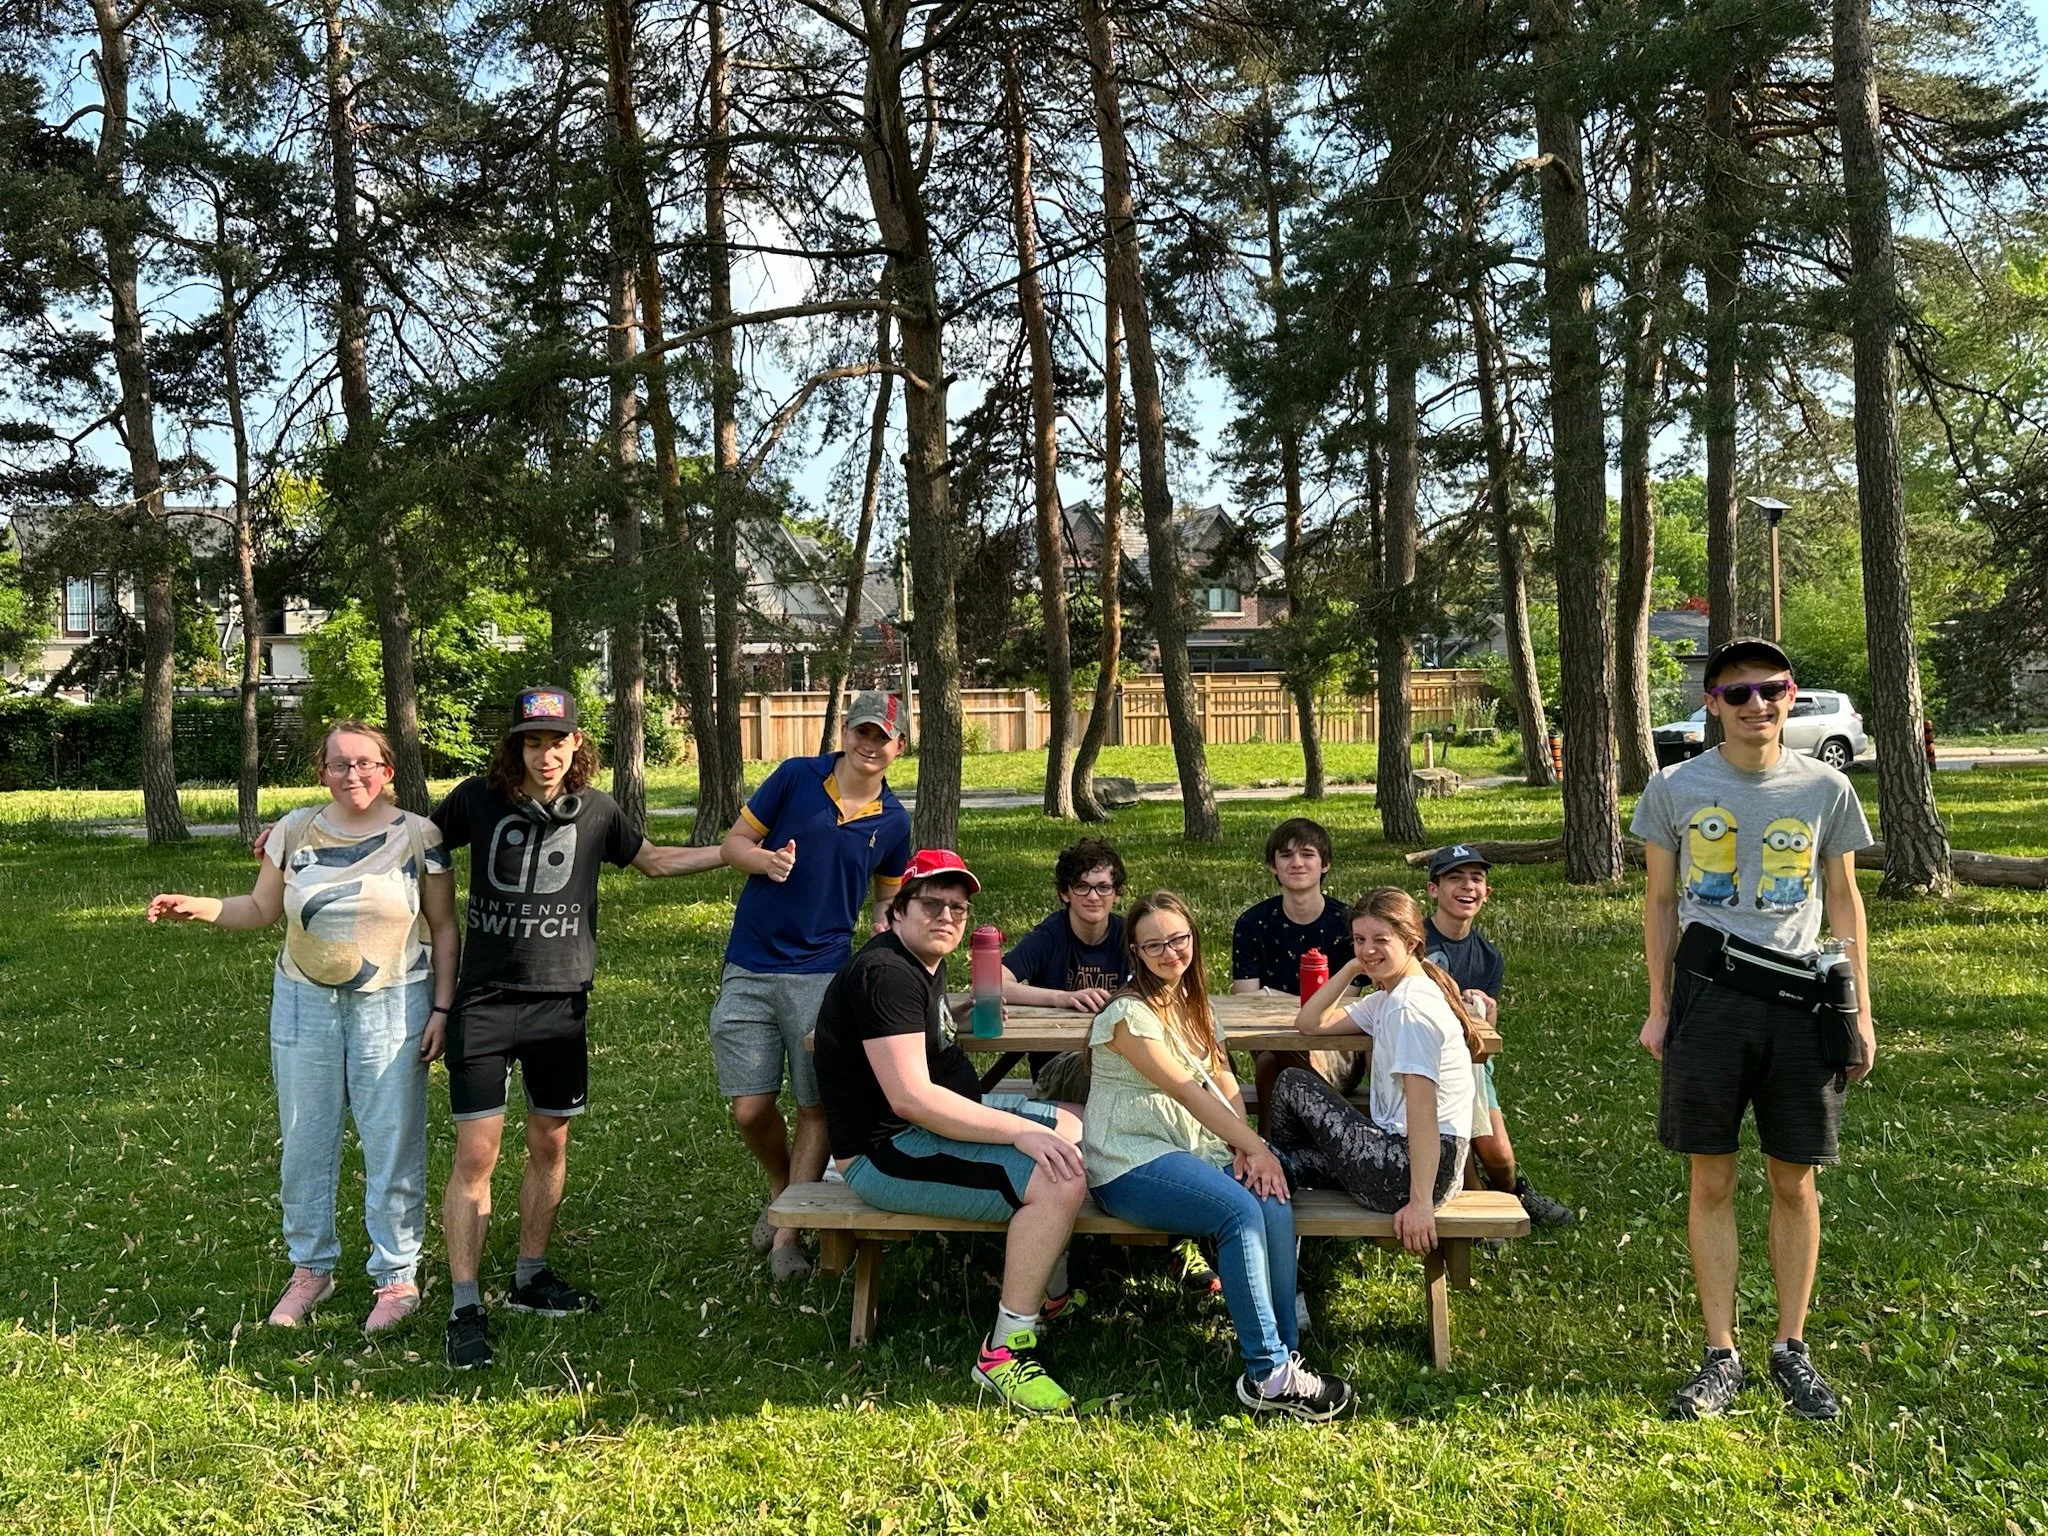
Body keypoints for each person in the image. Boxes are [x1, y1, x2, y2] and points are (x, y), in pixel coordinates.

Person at [434, 687, 725, 1369]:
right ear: (517, 747)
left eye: (556, 741)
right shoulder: (476, 799)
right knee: (476, 1158)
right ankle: (464, 1304)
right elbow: (407, 838)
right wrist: (303, 834)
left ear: (576, 746)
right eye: (533, 742)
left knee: (549, 1146)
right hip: (483, 1002)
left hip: (560, 1005)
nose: (545, 754)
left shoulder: (597, 810)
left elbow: (653, 860)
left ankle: (531, 1276)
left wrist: (733, 854)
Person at [1632, 638, 1875, 1422]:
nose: (1756, 705)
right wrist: (1661, 1007)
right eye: (1737, 694)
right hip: (1709, 1002)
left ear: (1790, 694)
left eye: (1770, 690)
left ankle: (1791, 1349)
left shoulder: (1826, 788)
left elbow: (1843, 901)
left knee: (1792, 1179)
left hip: (1803, 1003)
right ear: (1712, 704)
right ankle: (1720, 1354)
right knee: (1711, 1177)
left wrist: (1860, 1010)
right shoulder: (1672, 787)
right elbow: (1662, 904)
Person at [147, 721, 458, 1334]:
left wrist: (443, 1009)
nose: (353, 774)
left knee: (392, 1141)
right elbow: (261, 909)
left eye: (366, 763)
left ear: (388, 771)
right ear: (322, 772)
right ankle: (311, 1269)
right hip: (302, 1003)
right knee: (304, 1139)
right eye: (339, 764)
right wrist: (202, 906)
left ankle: (396, 1277)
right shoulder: (292, 830)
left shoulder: (420, 836)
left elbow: (444, 927)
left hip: (394, 1003)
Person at [812, 849, 1089, 1414]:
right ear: (896, 912)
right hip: (886, 1152)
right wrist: (1017, 1132)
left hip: (929, 1130)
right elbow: (912, 1099)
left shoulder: (919, 966)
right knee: (1057, 1178)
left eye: (957, 908)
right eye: (932, 904)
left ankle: (1047, 1292)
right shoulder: (886, 974)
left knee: (1073, 1123)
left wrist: (952, 1011)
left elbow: (912, 1030)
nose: (947, 916)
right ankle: (1004, 1351)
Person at [1085, 892, 1355, 1420]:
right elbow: (1188, 1090)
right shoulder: (1127, 1016)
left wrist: (1243, 1148)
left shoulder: (1195, 1005)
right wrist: (1257, 1147)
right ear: (1136, 953)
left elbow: (1224, 1077)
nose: (1170, 952)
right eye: (1154, 945)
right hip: (1129, 1159)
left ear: (1193, 939)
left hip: (1197, 1148)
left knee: (1271, 1199)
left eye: (1178, 939)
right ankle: (1267, 1375)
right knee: (1239, 1211)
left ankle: (1282, 1349)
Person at [714, 690, 913, 1282]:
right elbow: (733, 845)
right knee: (749, 1109)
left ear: (898, 747)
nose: (869, 745)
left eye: (882, 737)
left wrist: (886, 921)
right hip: (749, 964)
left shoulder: (893, 820)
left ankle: (787, 1235)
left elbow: (887, 893)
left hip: (824, 971)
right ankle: (784, 1188)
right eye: (861, 732)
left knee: (814, 1106)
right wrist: (764, 862)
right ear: (845, 734)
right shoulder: (796, 778)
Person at [1276, 889, 1481, 1262]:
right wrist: (1354, 966)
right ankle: (1281, 1178)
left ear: (1411, 942)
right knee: (1290, 1161)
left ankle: (1278, 1197)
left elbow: (1424, 1114)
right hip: (1410, 1162)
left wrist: (1419, 1205)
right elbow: (1309, 1022)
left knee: (1293, 1083)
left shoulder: (1409, 1009)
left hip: (1411, 1173)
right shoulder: (1391, 996)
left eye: (1380, 940)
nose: (1368, 949)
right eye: (1359, 939)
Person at [1420, 845, 1574, 1228]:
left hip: (1469, 1063)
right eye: (1455, 878)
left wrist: (1487, 1010)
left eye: (1477, 878)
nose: (1467, 886)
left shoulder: (1488, 956)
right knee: (1458, 1145)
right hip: (1420, 1063)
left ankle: (1512, 1195)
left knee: (1499, 1155)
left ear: (1487, 893)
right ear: (1433, 890)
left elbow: (1488, 1034)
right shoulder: (1414, 940)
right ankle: (1480, 1215)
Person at [1232, 818, 1360, 1122]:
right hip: (1270, 1041)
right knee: (1270, 1062)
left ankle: (1275, 1152)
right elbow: (1247, 999)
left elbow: (1346, 1000)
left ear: (1325, 864)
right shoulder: (1253, 923)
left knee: (1276, 1065)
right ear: (1272, 866)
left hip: (1334, 1046)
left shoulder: (1347, 924)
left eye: (1307, 854)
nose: (1297, 863)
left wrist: (1272, 995)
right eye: (1286, 855)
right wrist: (1313, 1001)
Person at [1000, 836, 1131, 1104]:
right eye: (1082, 887)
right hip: (1060, 1068)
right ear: (1065, 893)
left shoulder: (1131, 935)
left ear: (1117, 894)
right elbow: (991, 984)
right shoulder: (1050, 935)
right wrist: (1061, 997)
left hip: (1124, 1057)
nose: (1093, 896)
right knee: (1100, 1074)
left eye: (1104, 887)